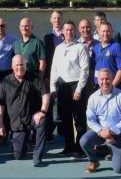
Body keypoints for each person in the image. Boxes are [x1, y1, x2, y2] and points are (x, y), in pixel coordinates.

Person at [0, 55, 50, 167]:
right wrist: (0, 124)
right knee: (18, 156)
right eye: (17, 65)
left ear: (26, 65)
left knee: (43, 122)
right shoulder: (5, 82)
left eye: (22, 65)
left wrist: (43, 111)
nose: (20, 67)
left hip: (32, 118)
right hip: (17, 122)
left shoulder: (34, 78)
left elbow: (46, 93)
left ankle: (37, 157)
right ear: (12, 66)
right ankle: (23, 145)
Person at [79, 68, 121, 174]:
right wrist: (104, 133)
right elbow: (90, 120)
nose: (104, 82)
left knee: (119, 170)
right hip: (100, 133)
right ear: (98, 80)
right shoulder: (93, 98)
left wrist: (111, 131)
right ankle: (94, 161)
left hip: (118, 133)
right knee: (84, 141)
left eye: (107, 79)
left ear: (112, 79)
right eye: (102, 79)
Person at [50, 21, 89, 159]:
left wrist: (79, 89)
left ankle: (80, 149)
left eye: (72, 30)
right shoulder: (59, 48)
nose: (69, 32)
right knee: (65, 119)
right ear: (62, 31)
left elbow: (85, 70)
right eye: (66, 30)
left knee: (79, 119)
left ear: (75, 31)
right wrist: (52, 87)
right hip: (62, 87)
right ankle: (68, 146)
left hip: (75, 86)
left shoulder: (80, 47)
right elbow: (54, 68)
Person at [43, 11, 64, 142]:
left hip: (65, 76)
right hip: (50, 75)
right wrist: (45, 76)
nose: (57, 20)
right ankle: (49, 134)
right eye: (54, 18)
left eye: (59, 18)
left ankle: (63, 131)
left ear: (62, 19)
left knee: (64, 104)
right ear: (51, 20)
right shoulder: (46, 37)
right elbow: (44, 59)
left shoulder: (67, 34)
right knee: (49, 104)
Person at [91, 22, 121, 88]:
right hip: (97, 86)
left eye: (108, 31)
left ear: (112, 32)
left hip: (111, 86)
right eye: (103, 31)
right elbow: (92, 68)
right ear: (98, 32)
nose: (105, 34)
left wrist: (112, 86)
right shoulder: (95, 47)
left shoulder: (116, 47)